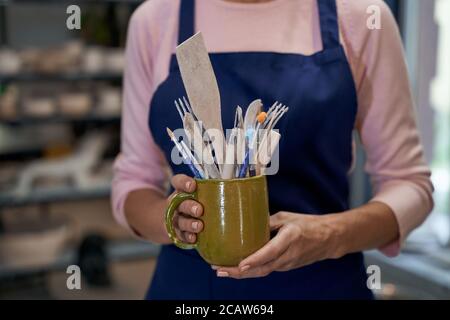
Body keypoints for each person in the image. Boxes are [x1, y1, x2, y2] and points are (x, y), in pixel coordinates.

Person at [112, 0, 434, 299]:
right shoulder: (154, 21)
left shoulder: (361, 17)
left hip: (323, 284)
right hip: (191, 289)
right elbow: (133, 181)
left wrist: (330, 235)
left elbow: (409, 185)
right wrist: (173, 220)